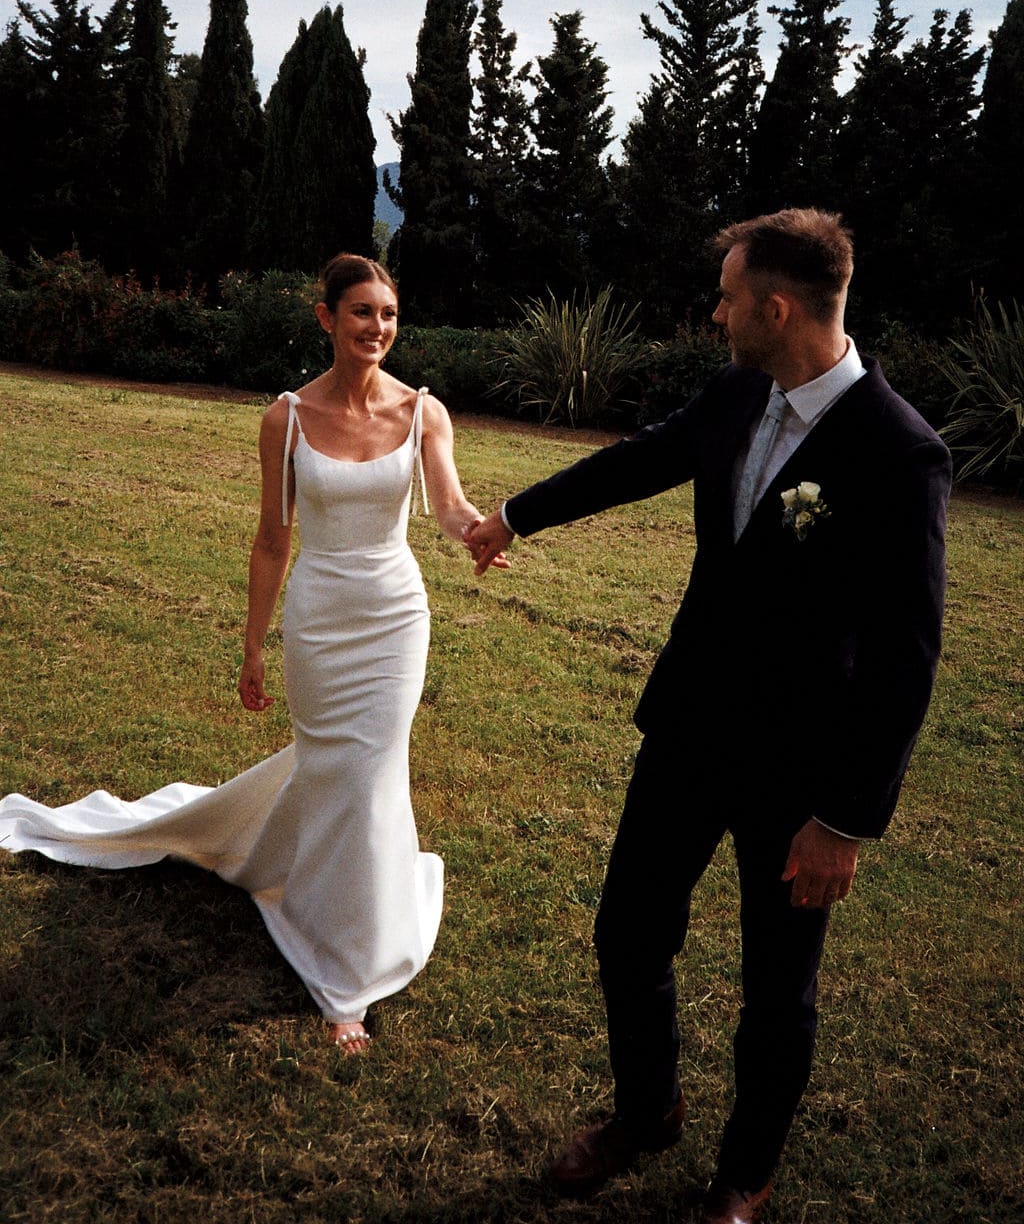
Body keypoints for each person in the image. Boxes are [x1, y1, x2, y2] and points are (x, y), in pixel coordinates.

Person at [467, 209, 951, 1223]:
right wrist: (516, 514)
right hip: (686, 732)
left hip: (802, 778)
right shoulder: (738, 391)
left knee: (778, 990)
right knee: (627, 936)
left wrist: (845, 819)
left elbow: (906, 657)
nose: (717, 312)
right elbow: (644, 459)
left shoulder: (898, 451)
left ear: (776, 308)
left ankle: (742, 1175)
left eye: (729, 296)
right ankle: (646, 1115)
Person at [0, 254, 506, 1055]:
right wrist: (253, 647)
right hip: (318, 620)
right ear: (326, 318)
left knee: (373, 771)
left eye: (389, 315)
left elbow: (447, 504)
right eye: (362, 313)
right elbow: (272, 541)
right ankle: (312, 890)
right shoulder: (287, 418)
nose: (377, 329)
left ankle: (349, 976)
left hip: (393, 618)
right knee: (329, 767)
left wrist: (479, 529)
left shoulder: (423, 413)